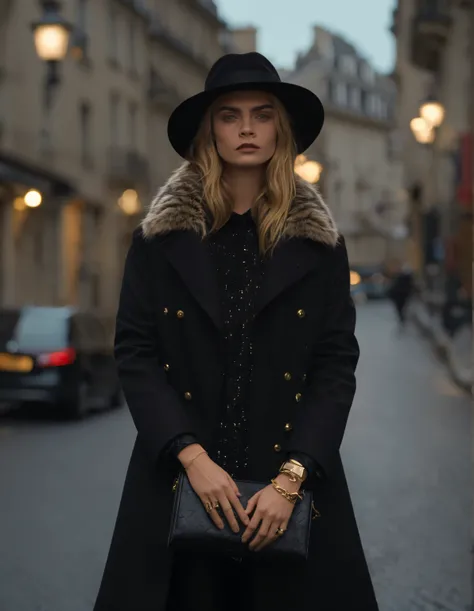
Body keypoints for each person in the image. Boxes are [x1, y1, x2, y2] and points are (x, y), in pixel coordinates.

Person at [93, 52, 379, 611]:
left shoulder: (321, 247)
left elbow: (334, 363)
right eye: (229, 115)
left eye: (262, 113)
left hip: (288, 493)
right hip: (178, 486)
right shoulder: (157, 241)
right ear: (210, 131)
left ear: (281, 129)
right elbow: (135, 352)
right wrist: (193, 458)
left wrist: (289, 481)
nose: (247, 128)